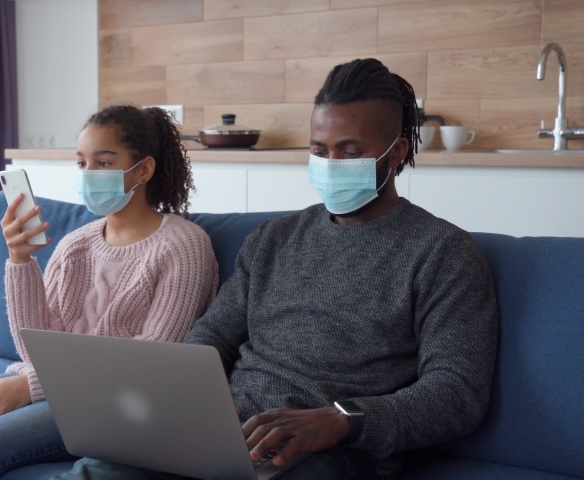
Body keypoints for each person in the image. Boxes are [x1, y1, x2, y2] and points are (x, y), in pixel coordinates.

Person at [54, 59, 499, 480]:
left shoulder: (443, 253)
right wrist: (191, 398)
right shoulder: (274, 239)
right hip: (230, 429)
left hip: (336, 450)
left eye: (349, 151)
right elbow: (214, 333)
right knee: (96, 470)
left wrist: (340, 420)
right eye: (319, 150)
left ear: (397, 152)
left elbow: (457, 392)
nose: (330, 164)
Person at [0, 105, 219, 480]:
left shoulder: (183, 246)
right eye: (82, 163)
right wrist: (19, 259)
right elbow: (33, 348)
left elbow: (150, 366)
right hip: (46, 384)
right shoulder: (74, 245)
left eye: (103, 162)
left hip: (107, 407)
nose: (87, 175)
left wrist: (31, 386)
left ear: (143, 169)